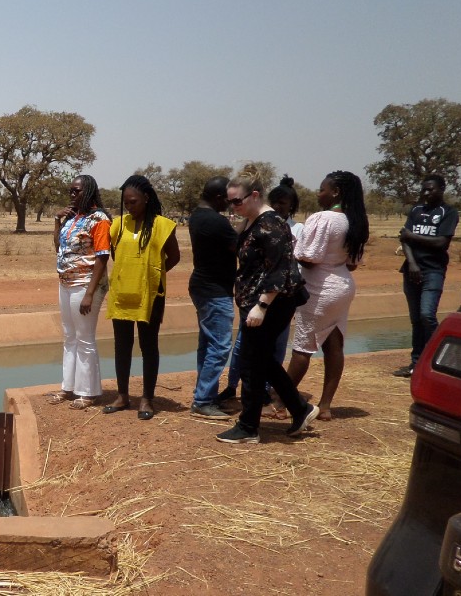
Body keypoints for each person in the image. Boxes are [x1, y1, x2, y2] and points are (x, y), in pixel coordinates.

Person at [216, 167, 316, 444]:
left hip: (271, 303)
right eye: (230, 202)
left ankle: (248, 427)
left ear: (255, 195)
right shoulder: (252, 221)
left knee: (251, 363)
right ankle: (300, 408)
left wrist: (261, 305)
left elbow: (280, 269)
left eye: (237, 201)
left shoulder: (271, 224)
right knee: (263, 360)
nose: (233, 206)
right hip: (255, 301)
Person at [286, 170, 369, 421]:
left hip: (318, 289)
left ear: (335, 192)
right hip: (343, 286)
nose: (317, 193)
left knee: (302, 348)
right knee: (334, 344)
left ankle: (280, 400)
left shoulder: (322, 219)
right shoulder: (354, 221)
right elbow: (353, 263)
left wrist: (291, 249)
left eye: (322, 189)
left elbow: (309, 260)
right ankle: (325, 406)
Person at [103, 175, 180, 419]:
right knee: (121, 346)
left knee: (149, 346)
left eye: (133, 202)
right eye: (126, 203)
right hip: (122, 294)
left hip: (150, 296)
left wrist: (153, 276)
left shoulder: (162, 226)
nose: (129, 207)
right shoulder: (117, 225)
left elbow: (174, 257)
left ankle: (147, 398)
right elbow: (116, 255)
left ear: (146, 199)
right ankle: (122, 395)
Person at [48, 175, 111, 409]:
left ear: (90, 192)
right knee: (69, 335)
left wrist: (89, 294)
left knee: (85, 337)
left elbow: (103, 257)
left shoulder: (99, 219)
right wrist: (57, 220)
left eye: (77, 191)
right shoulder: (73, 218)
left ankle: (88, 391)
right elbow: (58, 247)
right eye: (70, 191)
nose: (72, 195)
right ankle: (68, 387)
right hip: (65, 283)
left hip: (85, 284)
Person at [394, 174, 458, 377]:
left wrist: (412, 236)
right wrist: (412, 263)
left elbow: (441, 242)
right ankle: (416, 364)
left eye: (431, 189)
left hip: (433, 271)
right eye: (424, 189)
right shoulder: (416, 210)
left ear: (442, 189)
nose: (426, 193)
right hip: (412, 271)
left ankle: (439, 359)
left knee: (427, 315)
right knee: (416, 320)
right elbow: (403, 239)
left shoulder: (448, 213)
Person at [187, 176, 235, 419]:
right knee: (219, 345)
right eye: (228, 198)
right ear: (218, 197)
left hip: (202, 286)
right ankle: (204, 399)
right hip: (215, 290)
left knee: (207, 344)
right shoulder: (216, 221)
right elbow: (240, 247)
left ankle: (204, 393)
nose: (231, 202)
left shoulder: (197, 215)